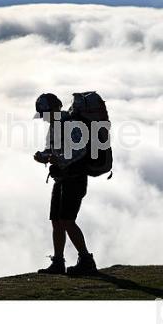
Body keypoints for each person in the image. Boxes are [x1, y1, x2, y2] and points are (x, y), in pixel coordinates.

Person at [33, 93, 98, 276]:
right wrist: (44, 156)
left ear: (54, 110)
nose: (44, 118)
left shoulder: (70, 124)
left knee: (67, 221)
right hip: (62, 178)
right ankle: (58, 262)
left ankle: (86, 260)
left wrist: (58, 159)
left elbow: (81, 150)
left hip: (75, 178)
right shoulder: (55, 126)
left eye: (45, 114)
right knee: (56, 221)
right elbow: (52, 149)